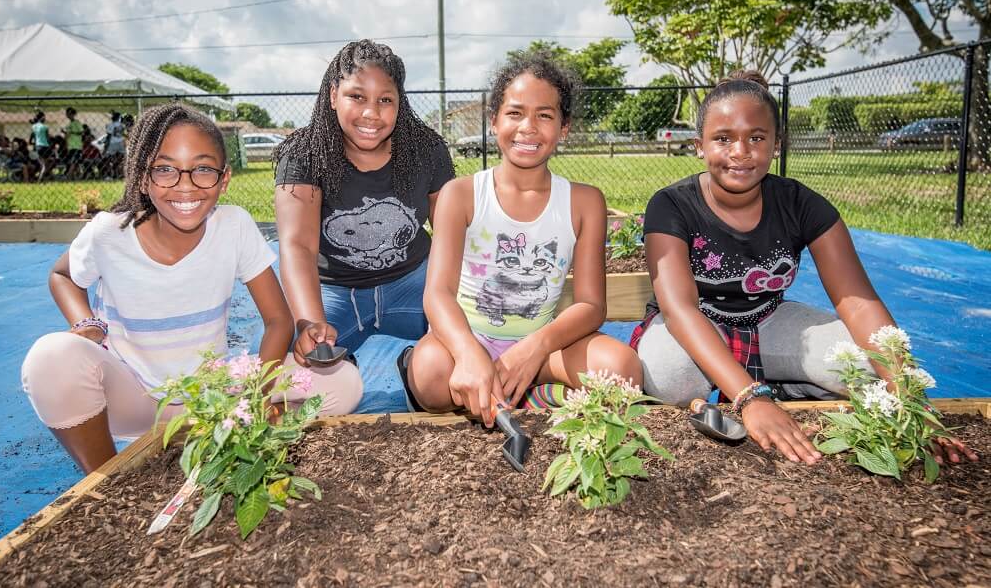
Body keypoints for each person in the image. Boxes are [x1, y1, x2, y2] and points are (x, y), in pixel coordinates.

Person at [633, 70, 977, 466]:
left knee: (866, 367)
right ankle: (751, 388)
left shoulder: (803, 204)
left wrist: (910, 396)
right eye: (723, 138)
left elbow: (859, 303)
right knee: (664, 380)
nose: (741, 151)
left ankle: (783, 390)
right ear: (699, 145)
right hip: (696, 323)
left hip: (766, 319)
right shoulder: (672, 204)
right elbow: (680, 310)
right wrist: (749, 398)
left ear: (776, 145)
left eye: (756, 138)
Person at [21, 103, 362, 474]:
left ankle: (228, 435)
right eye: (165, 169)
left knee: (342, 382)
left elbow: (279, 321)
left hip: (212, 396)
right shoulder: (109, 232)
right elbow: (63, 276)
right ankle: (107, 480)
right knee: (51, 357)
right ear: (141, 177)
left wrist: (257, 395)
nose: (185, 185)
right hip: (134, 399)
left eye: (202, 169)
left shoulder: (233, 227)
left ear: (224, 178)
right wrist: (86, 323)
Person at [403, 52, 642, 427]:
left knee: (622, 368)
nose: (528, 127)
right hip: (466, 339)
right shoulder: (461, 194)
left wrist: (536, 347)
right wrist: (468, 353)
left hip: (543, 348)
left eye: (545, 115)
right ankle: (507, 388)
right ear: (494, 120)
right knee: (430, 374)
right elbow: (438, 294)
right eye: (515, 113)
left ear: (564, 128)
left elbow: (592, 306)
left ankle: (518, 389)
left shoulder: (584, 201)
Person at [273, 39, 454, 371]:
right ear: (332, 96)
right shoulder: (304, 153)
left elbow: (451, 234)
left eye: (385, 100)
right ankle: (343, 365)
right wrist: (310, 324)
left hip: (414, 282)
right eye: (357, 97)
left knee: (469, 346)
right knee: (299, 370)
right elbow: (297, 245)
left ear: (400, 103)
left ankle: (412, 366)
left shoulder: (427, 150)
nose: (371, 113)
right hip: (337, 290)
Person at [64, 107, 85, 179]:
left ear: (73, 114)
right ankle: (74, 176)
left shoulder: (77, 122)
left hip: (77, 146)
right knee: (73, 162)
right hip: (71, 146)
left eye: (69, 113)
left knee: (74, 162)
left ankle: (69, 176)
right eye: (67, 113)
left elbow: (82, 132)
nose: (68, 115)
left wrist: (72, 132)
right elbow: (67, 135)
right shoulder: (68, 124)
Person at [103, 111, 126, 179]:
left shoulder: (110, 125)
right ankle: (120, 174)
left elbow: (109, 136)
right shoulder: (122, 125)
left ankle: (111, 174)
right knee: (121, 160)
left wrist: (106, 146)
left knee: (109, 159)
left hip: (113, 144)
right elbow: (123, 134)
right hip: (121, 143)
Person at [29, 110, 49, 181]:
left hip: (37, 146)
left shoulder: (33, 126)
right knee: (44, 165)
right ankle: (40, 179)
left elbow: (33, 136)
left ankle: (41, 177)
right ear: (42, 117)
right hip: (45, 146)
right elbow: (47, 138)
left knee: (41, 163)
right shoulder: (45, 127)